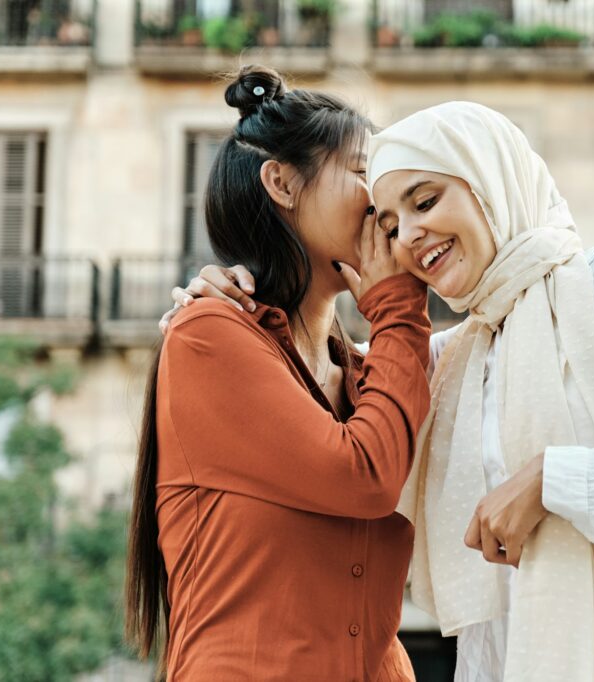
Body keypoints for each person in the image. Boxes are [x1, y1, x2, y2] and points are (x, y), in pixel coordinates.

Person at [168, 100, 594, 682]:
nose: (408, 234)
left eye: (426, 199)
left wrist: (554, 480)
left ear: (489, 178)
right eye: (387, 222)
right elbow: (311, 392)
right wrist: (213, 301)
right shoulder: (451, 357)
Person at [125, 66, 431, 681]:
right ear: (282, 184)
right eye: (363, 171)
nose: (383, 196)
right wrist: (397, 305)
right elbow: (364, 475)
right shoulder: (209, 335)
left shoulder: (375, 372)